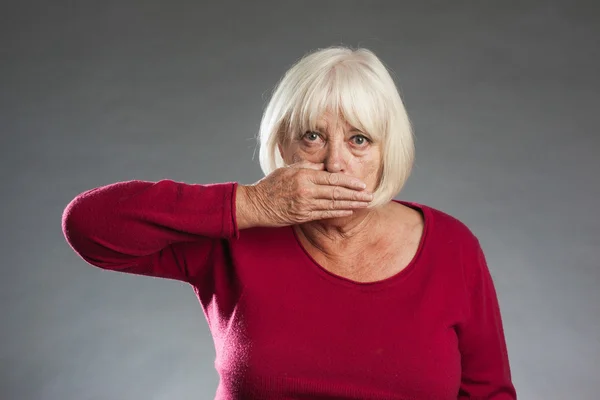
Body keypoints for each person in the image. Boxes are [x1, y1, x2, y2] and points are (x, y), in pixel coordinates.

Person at [62, 46, 517, 399]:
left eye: (359, 139)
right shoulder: (232, 235)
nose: (334, 164)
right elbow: (88, 226)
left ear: (386, 153)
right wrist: (252, 205)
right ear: (283, 145)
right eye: (313, 137)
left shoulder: (452, 248)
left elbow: (489, 393)